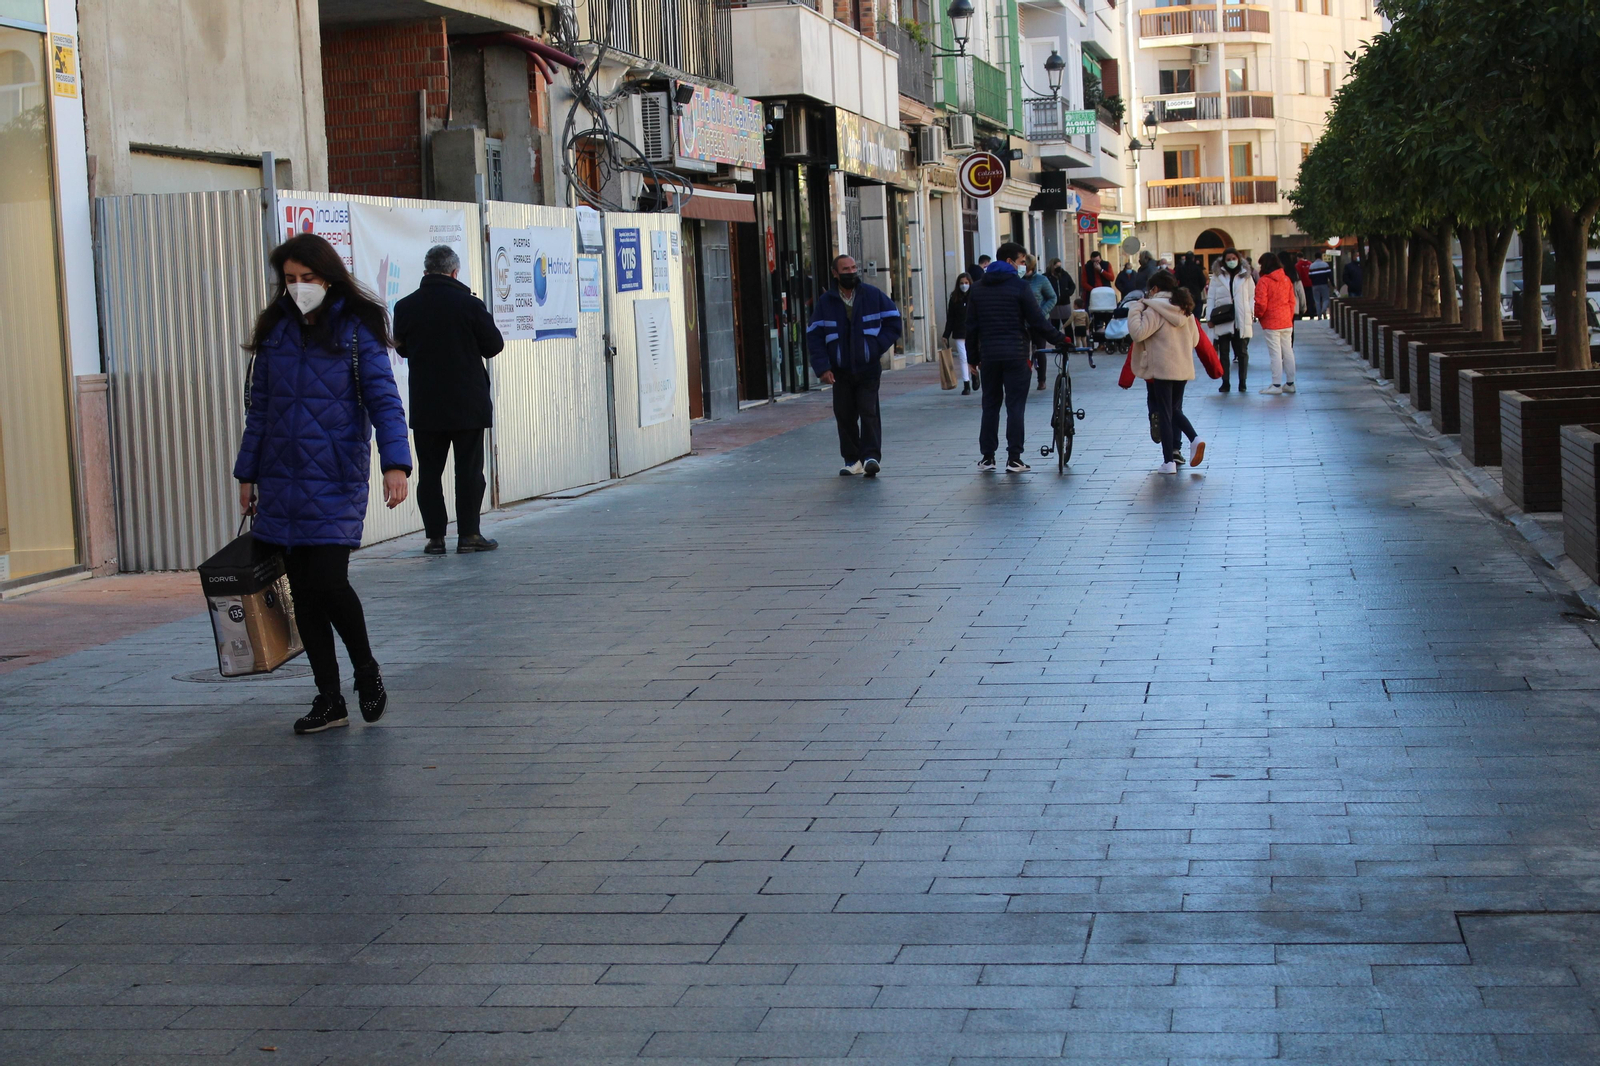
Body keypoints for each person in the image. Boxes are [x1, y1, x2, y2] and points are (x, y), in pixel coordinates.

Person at [234, 233, 412, 736]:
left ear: (329, 278)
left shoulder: (356, 331)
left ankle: (366, 670)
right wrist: (247, 473)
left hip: (334, 475)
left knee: (329, 582)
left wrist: (395, 464)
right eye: (290, 279)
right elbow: (259, 411)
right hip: (280, 479)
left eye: (307, 278)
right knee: (304, 594)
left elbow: (384, 401)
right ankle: (329, 699)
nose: (298, 287)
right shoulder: (275, 331)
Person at [393, 245, 505, 556]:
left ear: (426, 271)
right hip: (468, 403)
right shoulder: (470, 305)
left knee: (429, 473)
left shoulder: (405, 306)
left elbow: (402, 348)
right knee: (468, 471)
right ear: (455, 272)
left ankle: (435, 539)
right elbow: (493, 345)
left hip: (426, 404)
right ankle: (469, 534)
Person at [966, 241, 1067, 473]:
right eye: (1022, 261)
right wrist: (1060, 339)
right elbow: (1037, 320)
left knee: (990, 405)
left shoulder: (978, 288)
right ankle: (1014, 458)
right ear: (1010, 261)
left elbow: (971, 326)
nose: (1024, 265)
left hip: (989, 356)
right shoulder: (1020, 287)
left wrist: (972, 358)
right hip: (1016, 354)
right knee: (1015, 406)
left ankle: (988, 457)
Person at [807, 254, 903, 477]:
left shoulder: (872, 295)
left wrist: (876, 346)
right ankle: (852, 460)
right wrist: (823, 368)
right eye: (845, 269)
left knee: (869, 411)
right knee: (844, 414)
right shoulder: (826, 302)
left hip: (868, 367)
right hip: (840, 370)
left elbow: (894, 321)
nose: (851, 272)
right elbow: (814, 336)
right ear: (835, 273)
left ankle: (871, 457)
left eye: (853, 268)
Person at [1127, 271, 1204, 474]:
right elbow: (1195, 340)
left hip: (1161, 368)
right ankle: (1191, 441)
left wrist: (1135, 309)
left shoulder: (1154, 309)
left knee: (1165, 413)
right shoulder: (1185, 309)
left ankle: (1171, 460)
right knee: (1173, 409)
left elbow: (1138, 333)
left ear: (1155, 289)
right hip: (1183, 367)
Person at [1204, 248, 1256, 393]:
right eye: (1228, 259)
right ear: (1224, 261)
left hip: (1240, 317)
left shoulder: (1245, 275)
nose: (1231, 261)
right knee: (1224, 353)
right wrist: (1209, 317)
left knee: (1242, 352)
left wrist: (1250, 310)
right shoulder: (1217, 276)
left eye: (1233, 258)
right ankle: (1225, 382)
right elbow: (1211, 297)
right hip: (1223, 318)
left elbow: (1252, 295)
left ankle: (1242, 382)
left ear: (1238, 259)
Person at [1254, 252, 1297, 394]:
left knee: (1275, 354)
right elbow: (1292, 301)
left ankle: (1276, 385)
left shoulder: (1264, 281)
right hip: (1286, 321)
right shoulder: (1286, 279)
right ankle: (1290, 383)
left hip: (1271, 322)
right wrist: (1289, 316)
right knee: (1288, 351)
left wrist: (1258, 315)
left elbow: (1261, 303)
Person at [1023, 254, 1058, 390]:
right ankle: (1023, 379)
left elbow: (1052, 297)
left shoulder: (1041, 280)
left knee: (1040, 350)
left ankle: (1041, 379)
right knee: (1023, 351)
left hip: (1039, 320)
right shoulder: (1017, 280)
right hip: (1023, 321)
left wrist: (1041, 313)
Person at [942, 273, 975, 395]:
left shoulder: (975, 296)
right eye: (961, 283)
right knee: (963, 357)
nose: (964, 285)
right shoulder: (954, 298)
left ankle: (975, 375)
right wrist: (946, 334)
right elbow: (950, 317)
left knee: (974, 356)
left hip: (973, 331)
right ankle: (966, 383)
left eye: (966, 283)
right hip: (959, 332)